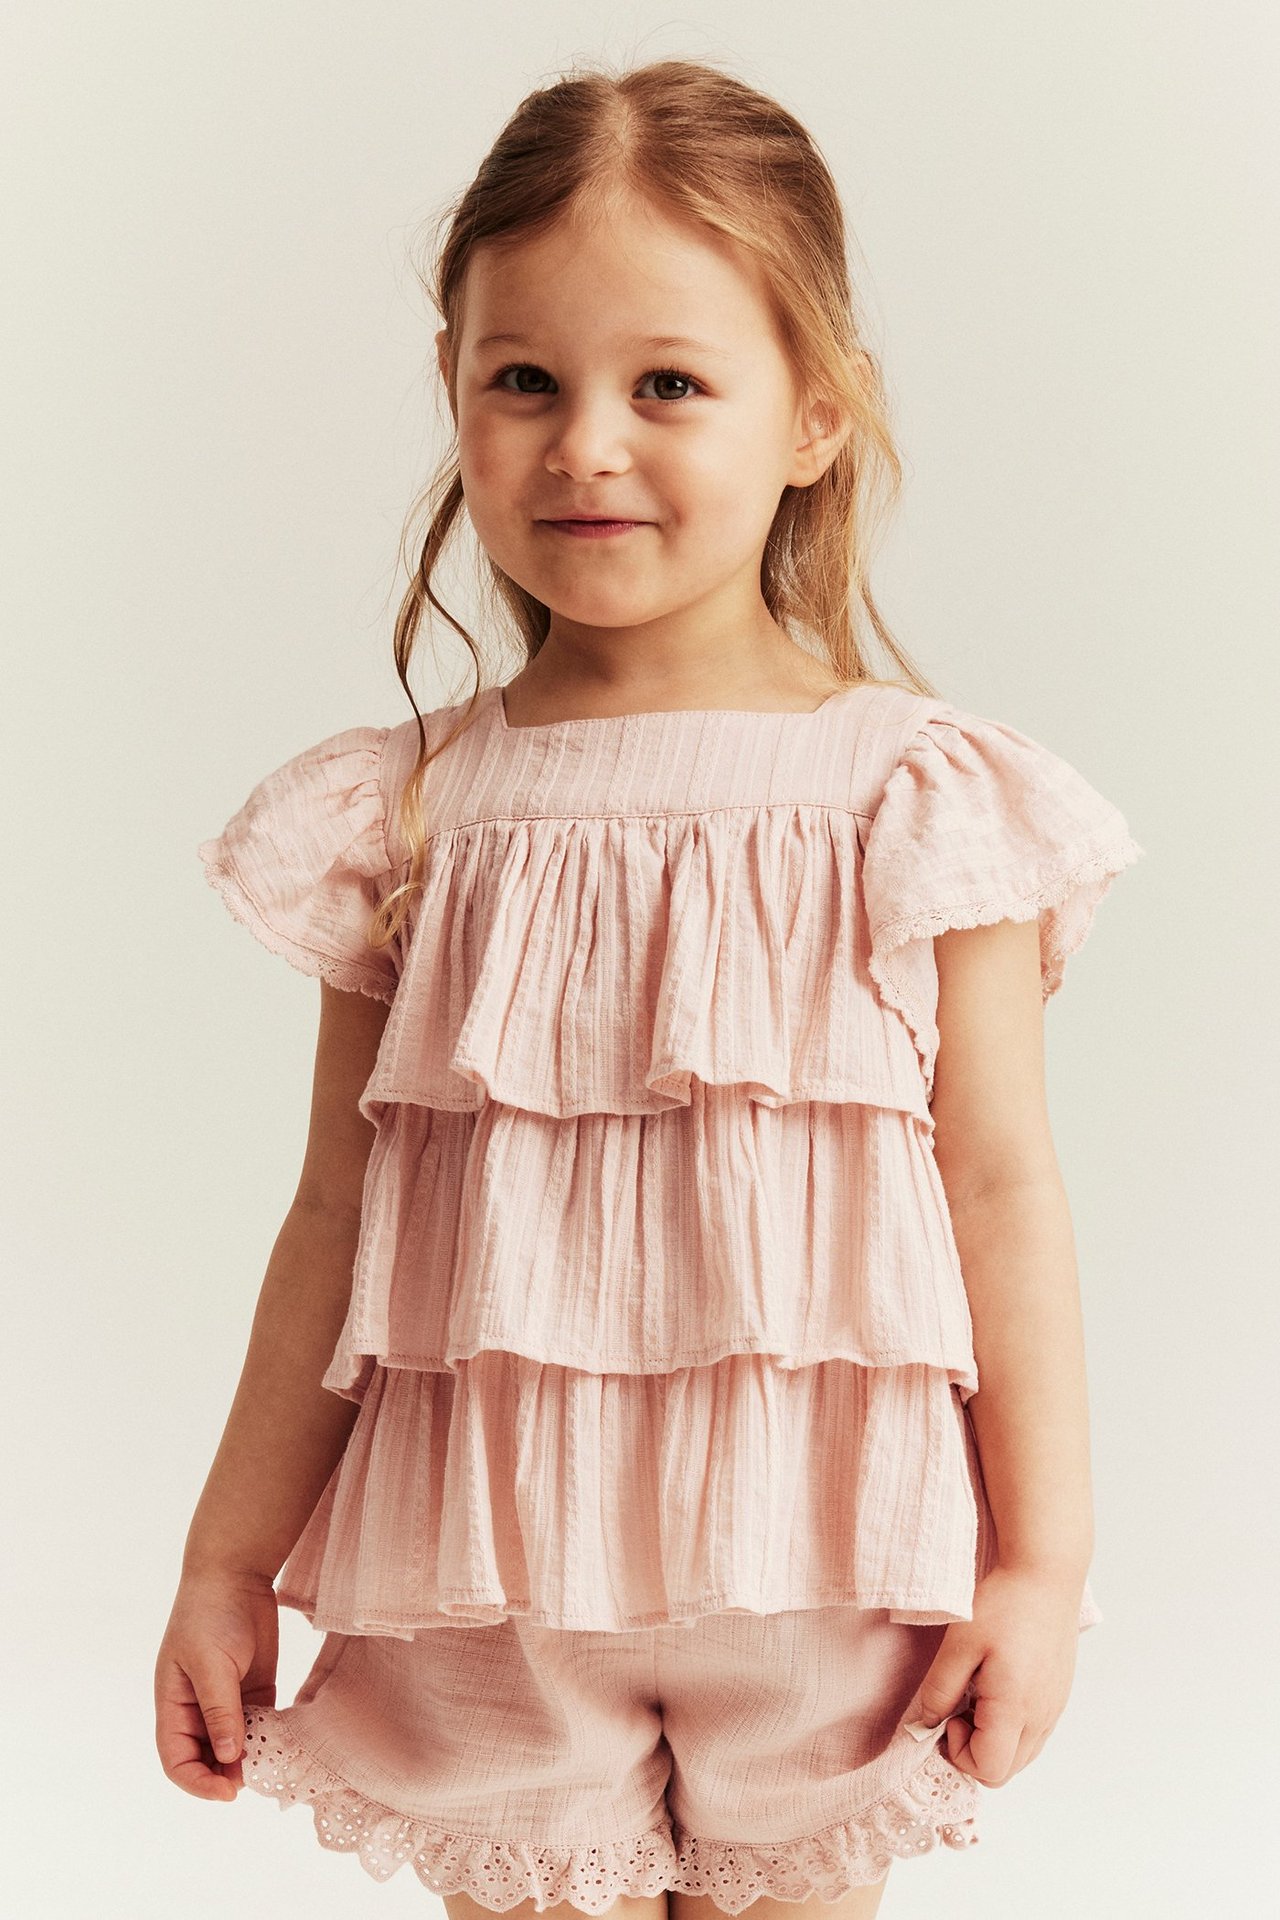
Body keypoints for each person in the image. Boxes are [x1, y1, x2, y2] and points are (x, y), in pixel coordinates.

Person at [154, 55, 1145, 1920]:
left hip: (828, 1571)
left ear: (816, 418)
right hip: (487, 1572)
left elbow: (1001, 1185)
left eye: (667, 384)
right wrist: (227, 1556)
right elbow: (333, 1210)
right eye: (522, 379)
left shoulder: (923, 796)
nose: (584, 443)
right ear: (455, 398)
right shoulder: (410, 811)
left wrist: (1041, 1561)